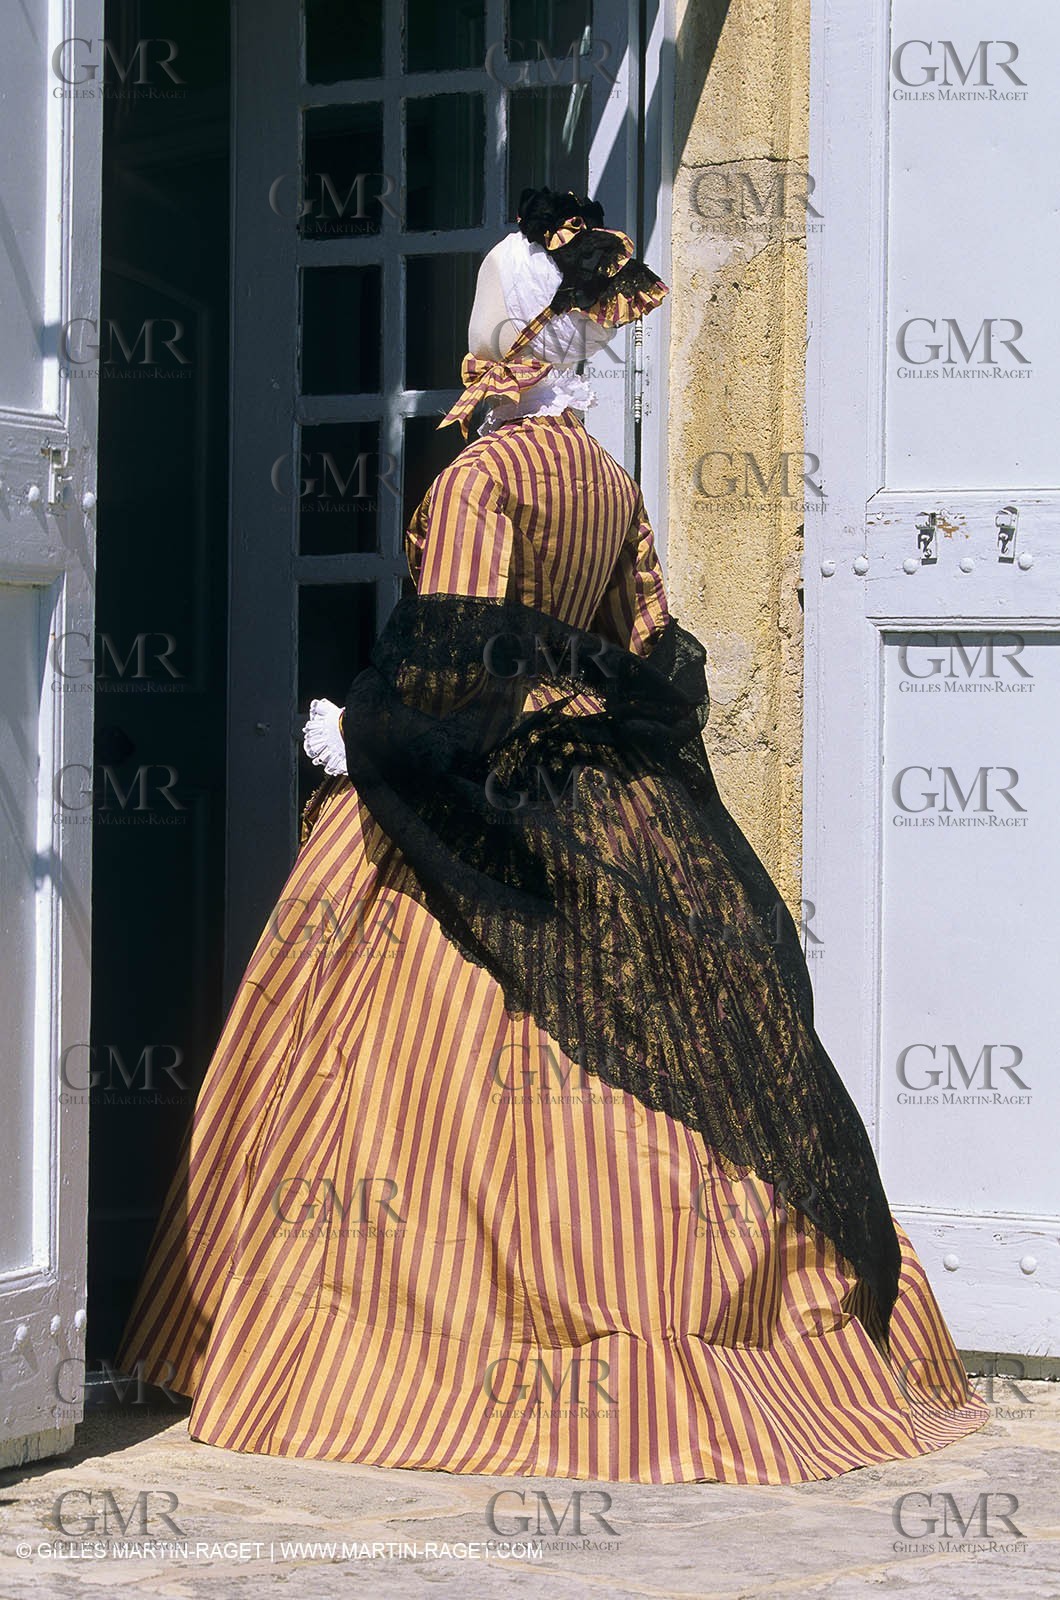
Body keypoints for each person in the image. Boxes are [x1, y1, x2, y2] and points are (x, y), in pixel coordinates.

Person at [117, 187, 989, 1483]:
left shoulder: (486, 475)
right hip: (588, 787)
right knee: (640, 1060)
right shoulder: (607, 482)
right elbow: (656, 668)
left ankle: (454, 1346)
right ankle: (748, 1311)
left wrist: (357, 737)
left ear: (505, 332)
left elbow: (454, 675)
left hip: (471, 786)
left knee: (426, 1076)